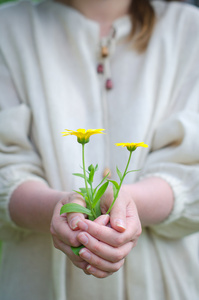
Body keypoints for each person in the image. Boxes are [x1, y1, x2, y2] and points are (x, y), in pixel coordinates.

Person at [0, 0, 199, 299]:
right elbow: (6, 167)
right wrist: (64, 211)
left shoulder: (190, 29)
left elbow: (192, 170)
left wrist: (127, 204)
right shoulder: (8, 28)